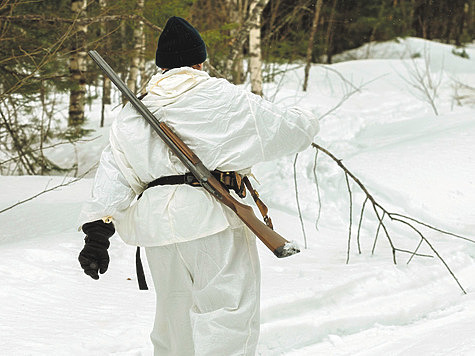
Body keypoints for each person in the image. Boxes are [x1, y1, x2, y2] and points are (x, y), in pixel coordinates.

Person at [78, 16, 320, 356]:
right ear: (199, 61)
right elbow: (288, 130)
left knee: (173, 326)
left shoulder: (135, 109)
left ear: (161, 66)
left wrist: (97, 232)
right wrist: (304, 116)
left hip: (158, 230)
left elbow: (114, 172)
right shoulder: (217, 95)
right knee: (228, 318)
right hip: (212, 220)